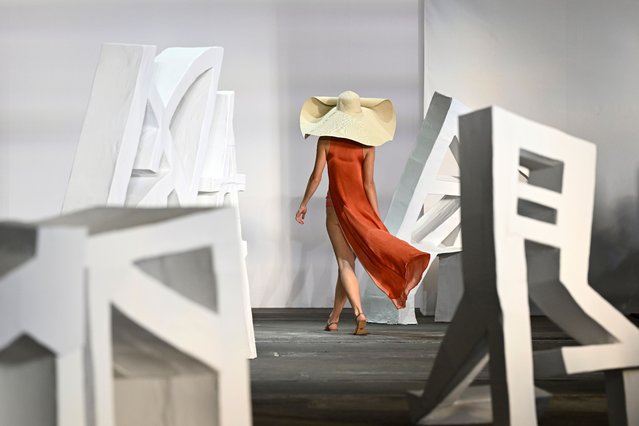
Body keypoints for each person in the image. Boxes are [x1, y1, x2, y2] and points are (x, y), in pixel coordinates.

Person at [295, 90, 430, 335]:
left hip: (335, 207)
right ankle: (334, 319)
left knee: (344, 263)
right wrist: (374, 218)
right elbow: (369, 184)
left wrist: (304, 203)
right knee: (348, 264)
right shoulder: (368, 146)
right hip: (360, 210)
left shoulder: (326, 140)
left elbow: (316, 177)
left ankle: (359, 313)